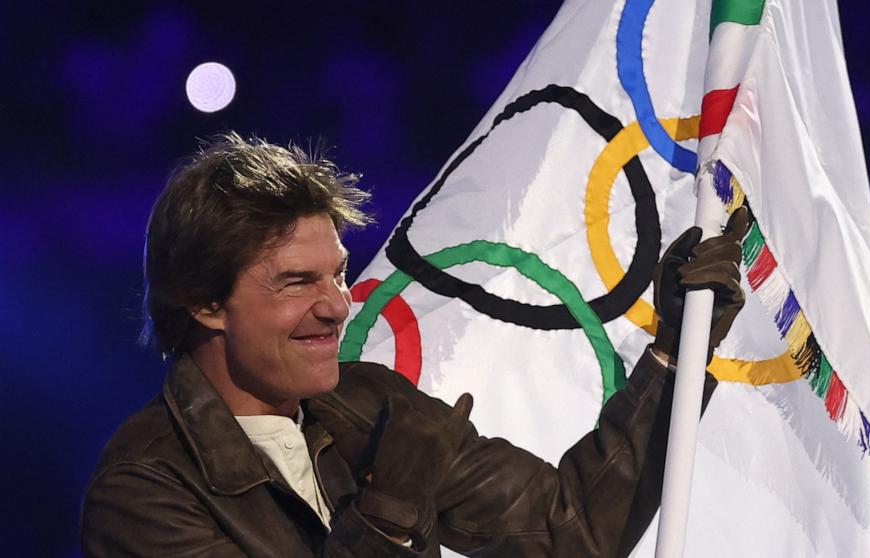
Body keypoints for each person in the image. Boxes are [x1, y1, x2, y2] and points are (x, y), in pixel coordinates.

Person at [80, 132, 747, 557]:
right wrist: (387, 519)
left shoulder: (370, 403)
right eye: (296, 282)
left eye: (339, 273)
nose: (337, 304)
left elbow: (566, 532)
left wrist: (672, 354)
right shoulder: (142, 491)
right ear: (204, 302)